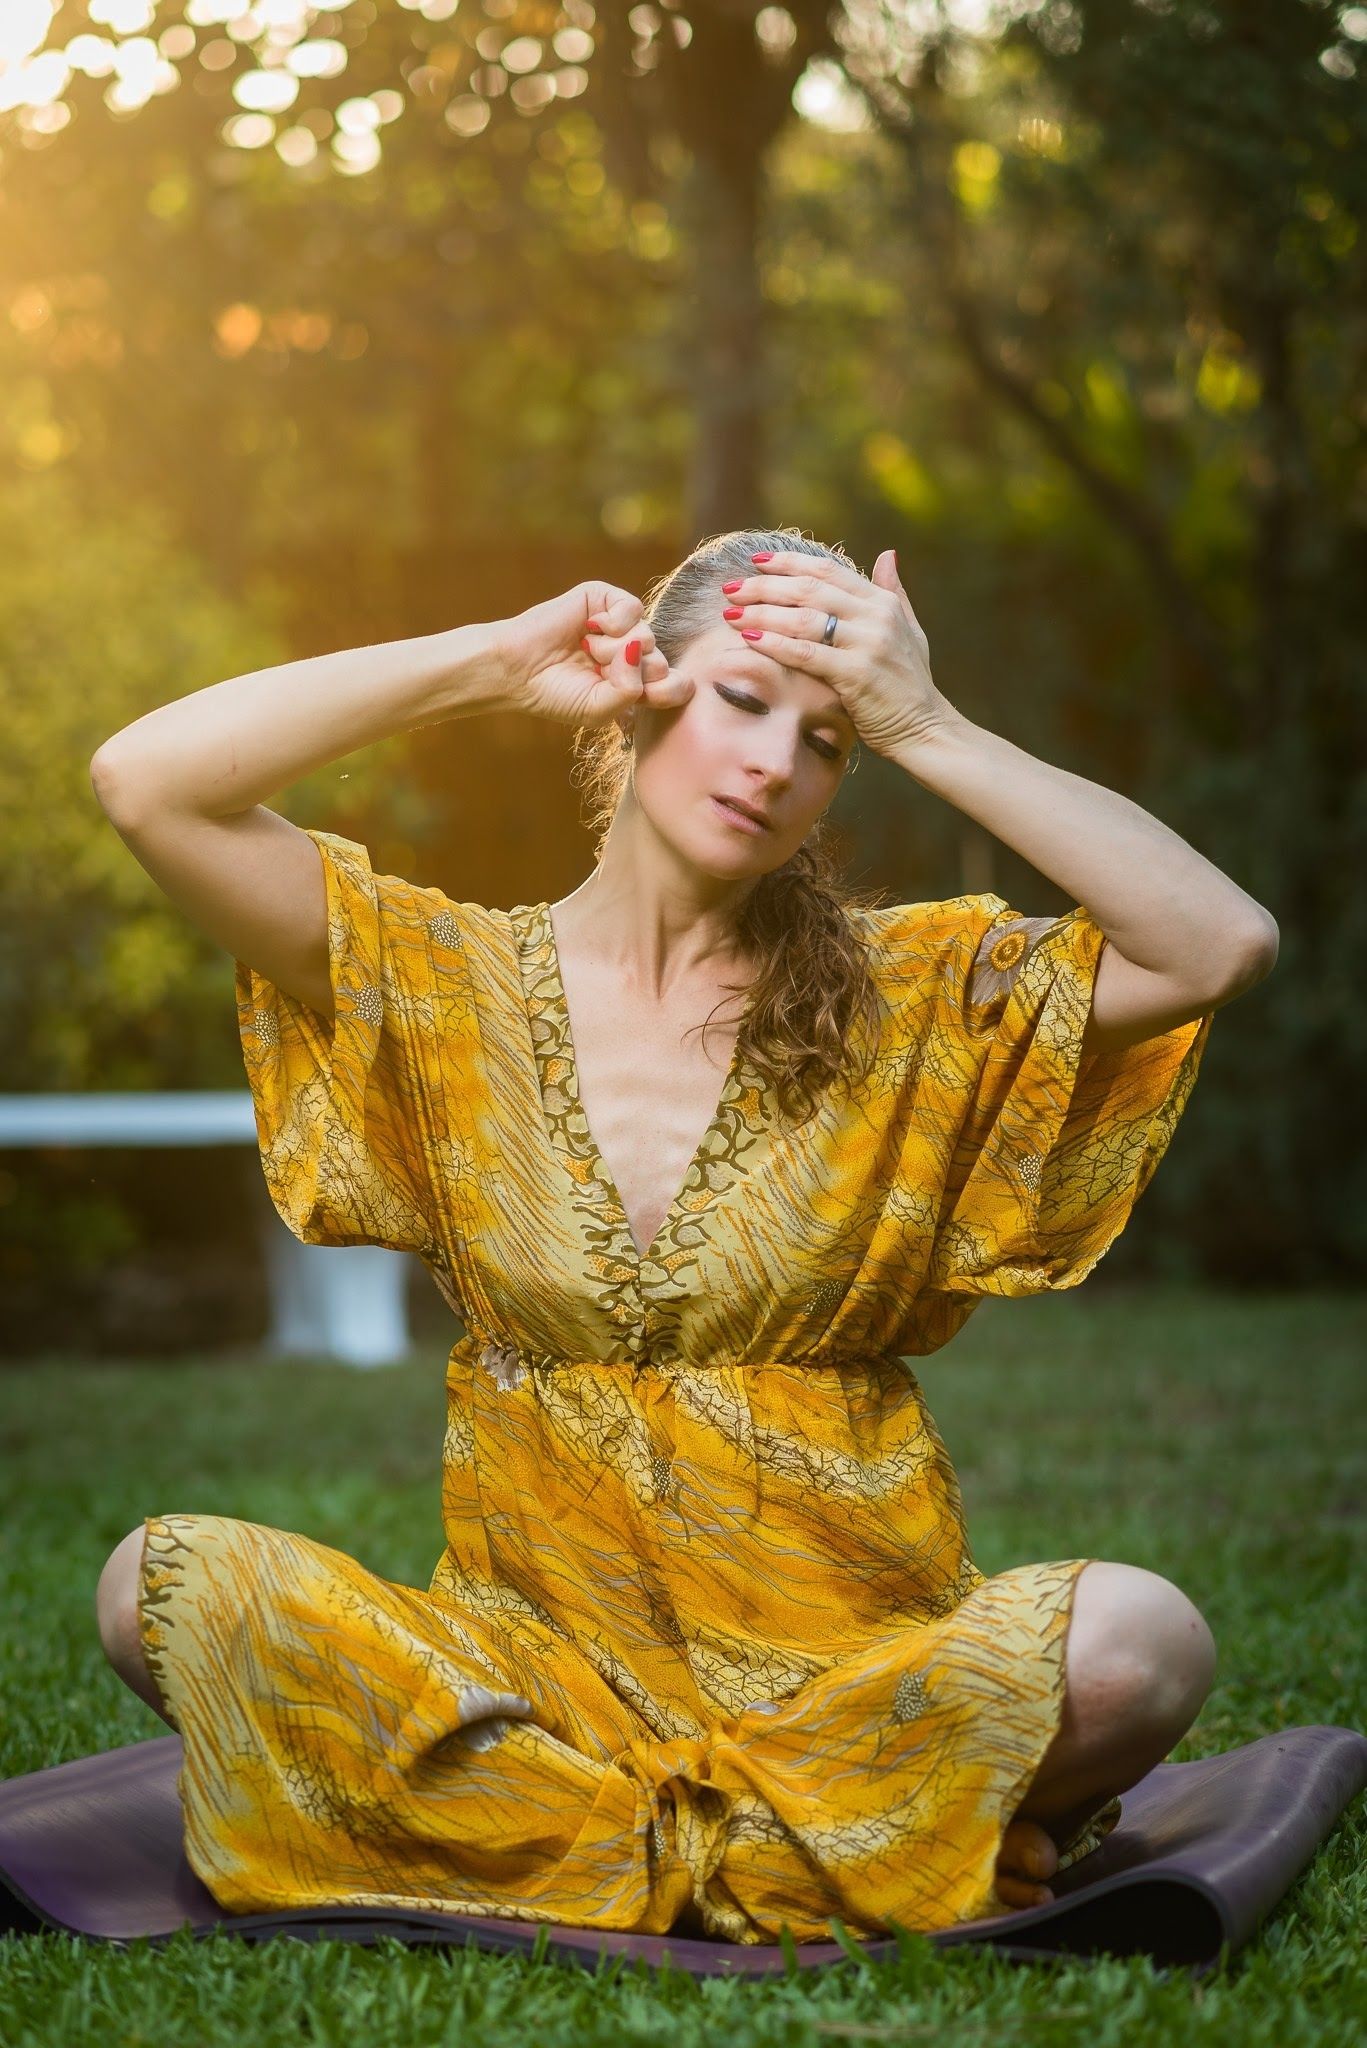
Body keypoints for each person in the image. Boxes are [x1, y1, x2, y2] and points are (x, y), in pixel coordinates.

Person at [88, 527, 1277, 1945]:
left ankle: (554, 1842)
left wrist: (928, 724)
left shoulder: (913, 997)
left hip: (846, 1671)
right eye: (742, 699)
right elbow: (147, 783)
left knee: (1143, 1646)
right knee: (156, 1585)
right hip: (534, 1674)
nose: (775, 763)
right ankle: (814, 1849)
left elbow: (1215, 943)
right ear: (643, 691)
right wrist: (493, 663)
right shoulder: (443, 987)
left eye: (829, 741)